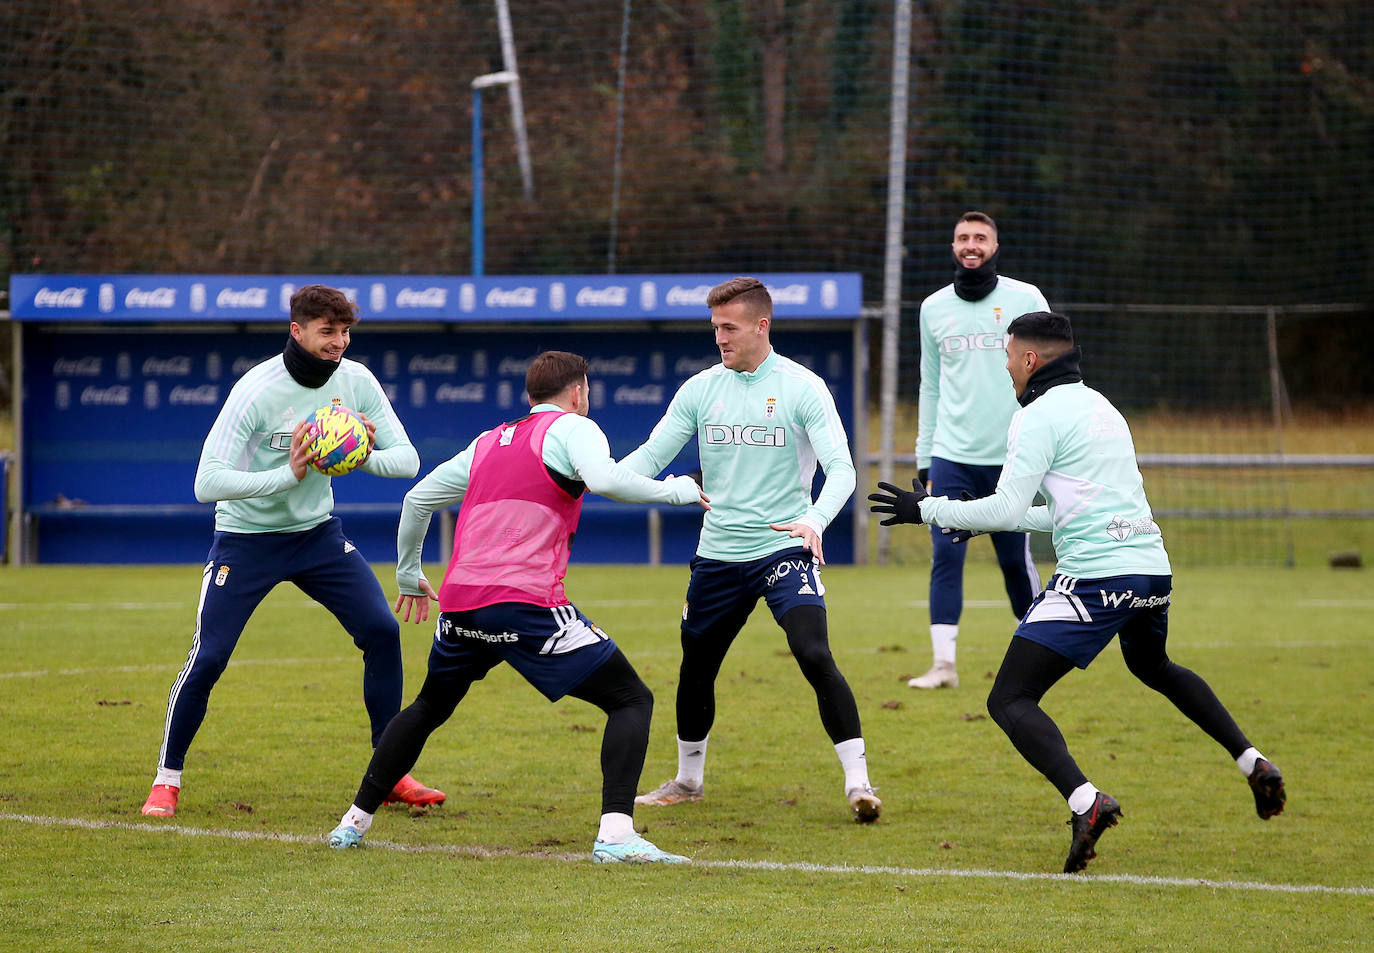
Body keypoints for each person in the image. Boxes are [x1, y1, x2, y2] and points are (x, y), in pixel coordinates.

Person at [869, 311, 1286, 872]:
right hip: (1149, 567)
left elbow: (1008, 506)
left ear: (1031, 360)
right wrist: (983, 521)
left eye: (1009, 358)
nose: (1008, 370)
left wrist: (929, 510)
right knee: (1154, 666)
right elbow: (1062, 512)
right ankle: (1253, 762)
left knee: (1008, 699)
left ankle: (1087, 803)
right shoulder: (1102, 407)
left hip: (1097, 576)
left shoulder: (1036, 417)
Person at [326, 350, 708, 864]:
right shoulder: (576, 428)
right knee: (630, 699)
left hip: (460, 605)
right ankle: (616, 836)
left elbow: (417, 500)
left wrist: (407, 574)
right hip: (525, 604)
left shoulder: (488, 441)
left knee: (428, 708)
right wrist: (676, 490)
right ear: (577, 393)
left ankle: (353, 823)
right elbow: (607, 480)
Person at [141, 284, 444, 817]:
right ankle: (167, 780)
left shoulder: (356, 381)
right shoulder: (257, 390)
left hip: (317, 536)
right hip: (245, 541)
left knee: (381, 630)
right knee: (209, 657)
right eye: (328, 332)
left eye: (345, 332)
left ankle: (390, 772)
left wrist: (359, 450)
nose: (339, 343)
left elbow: (407, 462)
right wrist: (289, 474)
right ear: (297, 330)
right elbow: (207, 483)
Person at [625, 276, 882, 823]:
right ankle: (688, 782)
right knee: (697, 665)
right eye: (715, 327)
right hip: (717, 554)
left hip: (784, 547)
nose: (719, 338)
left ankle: (859, 785)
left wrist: (813, 520)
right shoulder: (700, 389)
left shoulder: (802, 387)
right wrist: (594, 477)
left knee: (813, 652)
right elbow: (649, 459)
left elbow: (842, 470)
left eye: (729, 327)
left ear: (761, 326)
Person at [909, 211, 1048, 690]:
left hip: (1013, 456)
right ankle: (943, 665)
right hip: (951, 455)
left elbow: (1049, 370)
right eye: (963, 238)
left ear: (995, 245)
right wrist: (925, 457)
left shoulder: (1025, 298)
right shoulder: (932, 308)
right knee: (945, 555)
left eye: (980, 238)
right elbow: (930, 386)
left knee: (1014, 561)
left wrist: (1049, 439)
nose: (972, 245)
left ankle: (1041, 654)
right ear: (953, 246)